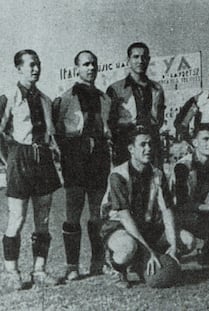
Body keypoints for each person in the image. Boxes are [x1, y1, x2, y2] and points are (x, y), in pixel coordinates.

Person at [101, 125, 192, 288]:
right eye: (142, 144)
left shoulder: (157, 173)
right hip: (119, 227)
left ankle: (141, 263)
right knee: (127, 249)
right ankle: (114, 267)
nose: (148, 149)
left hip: (148, 227)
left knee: (187, 241)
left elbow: (167, 211)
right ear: (131, 149)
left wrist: (173, 245)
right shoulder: (118, 175)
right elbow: (125, 217)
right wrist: (148, 250)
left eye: (150, 144)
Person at [0, 50, 61, 289]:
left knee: (43, 219)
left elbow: (51, 134)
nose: (36, 69)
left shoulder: (46, 99)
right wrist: (8, 160)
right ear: (19, 69)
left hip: (42, 159)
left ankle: (39, 270)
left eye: (38, 64)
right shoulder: (9, 96)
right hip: (20, 158)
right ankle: (12, 272)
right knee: (17, 218)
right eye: (31, 65)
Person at [53, 50, 111, 280]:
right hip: (75, 157)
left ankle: (98, 262)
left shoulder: (105, 98)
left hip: (99, 156)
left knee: (98, 213)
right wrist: (68, 154)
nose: (91, 68)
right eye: (86, 64)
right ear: (76, 67)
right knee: (73, 211)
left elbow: (108, 128)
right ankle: (72, 266)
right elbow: (57, 131)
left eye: (94, 64)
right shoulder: (66, 98)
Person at [169, 123, 209, 262]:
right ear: (195, 142)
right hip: (176, 214)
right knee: (190, 238)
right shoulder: (183, 166)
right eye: (205, 139)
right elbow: (181, 204)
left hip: (198, 210)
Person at [107, 42, 165, 166]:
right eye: (136, 57)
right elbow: (110, 121)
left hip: (151, 142)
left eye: (144, 57)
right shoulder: (115, 89)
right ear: (128, 60)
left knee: (154, 179)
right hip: (126, 143)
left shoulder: (157, 89)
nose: (140, 61)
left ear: (148, 60)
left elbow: (159, 117)